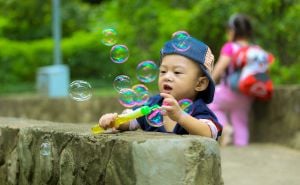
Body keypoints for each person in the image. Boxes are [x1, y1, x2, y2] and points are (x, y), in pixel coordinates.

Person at [99, 36, 222, 140]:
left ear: (200, 84)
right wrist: (115, 121)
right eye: (163, 71)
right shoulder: (153, 104)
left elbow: (209, 133)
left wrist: (180, 116)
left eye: (177, 72)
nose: (167, 77)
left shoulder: (197, 109)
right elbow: (130, 121)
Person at [208, 13, 254, 146]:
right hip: (247, 94)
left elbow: (220, 68)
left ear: (233, 31)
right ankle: (242, 148)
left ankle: (225, 128)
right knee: (241, 122)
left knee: (211, 104)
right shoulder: (253, 49)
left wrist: (208, 81)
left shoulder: (230, 47)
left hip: (228, 91)